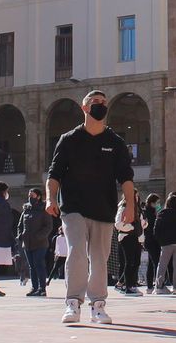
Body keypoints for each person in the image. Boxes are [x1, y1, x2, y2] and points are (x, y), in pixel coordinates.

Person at [46, 89, 136, 325]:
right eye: (95, 101)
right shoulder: (69, 139)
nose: (100, 104)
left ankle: (98, 305)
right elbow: (54, 174)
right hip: (73, 207)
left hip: (104, 209)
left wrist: (131, 205)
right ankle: (73, 303)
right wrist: (50, 199)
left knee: (98, 259)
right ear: (84, 107)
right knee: (76, 251)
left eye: (103, 102)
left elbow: (126, 177)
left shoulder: (115, 143)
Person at [18, 188, 52, 297]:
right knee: (31, 266)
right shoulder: (26, 209)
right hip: (27, 243)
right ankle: (34, 287)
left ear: (38, 196)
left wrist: (39, 236)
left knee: (39, 264)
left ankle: (42, 288)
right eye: (29, 195)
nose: (30, 197)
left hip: (40, 243)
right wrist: (21, 235)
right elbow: (20, 225)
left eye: (32, 195)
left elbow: (48, 226)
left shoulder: (44, 209)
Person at [152, 190, 176, 293]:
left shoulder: (162, 214)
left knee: (162, 265)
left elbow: (156, 229)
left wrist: (160, 240)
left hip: (166, 243)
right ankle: (175, 287)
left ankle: (158, 286)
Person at [115, 196, 142, 296]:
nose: (136, 198)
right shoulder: (123, 208)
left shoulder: (137, 209)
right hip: (127, 236)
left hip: (136, 237)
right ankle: (128, 286)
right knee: (129, 262)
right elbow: (118, 224)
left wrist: (142, 225)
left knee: (136, 262)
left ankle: (131, 285)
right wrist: (131, 227)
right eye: (135, 195)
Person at [141, 194, 162, 292]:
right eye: (157, 203)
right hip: (150, 240)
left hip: (154, 240)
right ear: (151, 203)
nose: (158, 205)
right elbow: (150, 227)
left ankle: (149, 286)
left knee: (151, 263)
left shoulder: (154, 212)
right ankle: (159, 285)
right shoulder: (147, 213)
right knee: (157, 262)